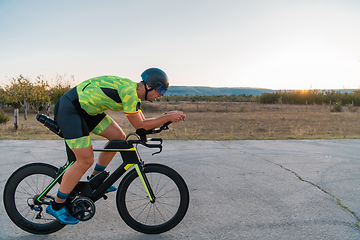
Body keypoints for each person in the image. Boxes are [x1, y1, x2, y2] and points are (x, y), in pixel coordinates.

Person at [46, 68, 186, 225]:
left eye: (163, 92)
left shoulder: (133, 95)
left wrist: (166, 119)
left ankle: (95, 179)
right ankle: (56, 205)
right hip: (71, 109)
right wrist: (167, 116)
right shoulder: (129, 92)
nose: (161, 95)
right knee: (84, 160)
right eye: (160, 89)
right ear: (149, 86)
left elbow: (142, 127)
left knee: (119, 138)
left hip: (88, 111)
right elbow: (140, 124)